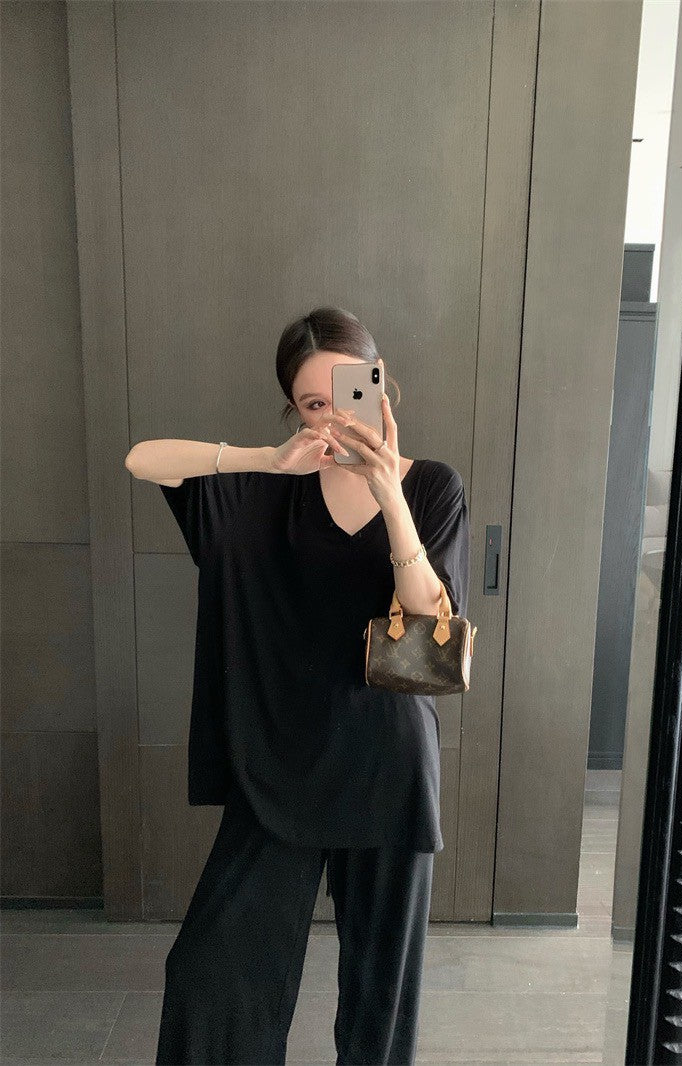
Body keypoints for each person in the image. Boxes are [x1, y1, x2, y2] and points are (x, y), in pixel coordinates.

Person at [126, 307, 471, 1065]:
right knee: (211, 980)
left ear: (379, 383)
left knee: (380, 1006)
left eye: (348, 391)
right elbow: (142, 460)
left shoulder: (432, 487)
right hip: (279, 765)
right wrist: (266, 459)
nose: (333, 415)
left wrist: (390, 494)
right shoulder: (261, 492)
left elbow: (427, 628)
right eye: (314, 402)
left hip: (388, 769)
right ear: (295, 409)